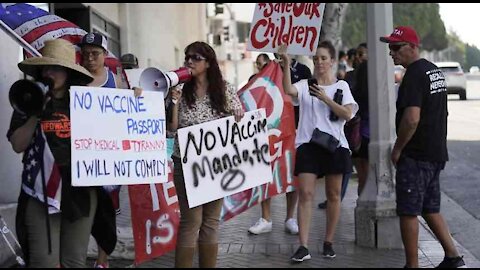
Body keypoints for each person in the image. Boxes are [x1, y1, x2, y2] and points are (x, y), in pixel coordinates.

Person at [380, 26, 466, 268]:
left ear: (413, 47)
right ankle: (453, 257)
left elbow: (412, 119)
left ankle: (412, 265)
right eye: (390, 48)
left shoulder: (414, 75)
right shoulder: (433, 71)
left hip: (416, 156)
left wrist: (397, 149)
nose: (392, 53)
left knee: (408, 211)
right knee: (430, 208)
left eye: (396, 48)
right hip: (435, 153)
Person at [7, 39, 98, 267]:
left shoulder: (84, 100)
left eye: (56, 68)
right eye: (46, 68)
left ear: (67, 72)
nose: (50, 73)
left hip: (80, 189)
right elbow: (18, 145)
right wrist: (35, 114)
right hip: (41, 189)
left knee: (74, 261)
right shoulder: (28, 100)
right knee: (43, 261)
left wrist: (137, 97)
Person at [278, 40, 358, 262]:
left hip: (335, 146)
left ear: (332, 61)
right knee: (305, 194)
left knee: (333, 195)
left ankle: (328, 241)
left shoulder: (341, 87)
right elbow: (288, 89)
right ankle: (303, 246)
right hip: (308, 145)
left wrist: (325, 98)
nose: (319, 62)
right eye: (316, 58)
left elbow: (347, 114)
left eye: (323, 58)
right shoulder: (305, 85)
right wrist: (285, 64)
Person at [167, 41, 244, 268]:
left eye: (196, 58)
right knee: (192, 221)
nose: (189, 61)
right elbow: (172, 129)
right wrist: (174, 102)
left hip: (215, 164)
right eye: (187, 57)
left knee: (210, 222)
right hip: (187, 162)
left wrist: (239, 113)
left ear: (208, 63)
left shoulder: (225, 89)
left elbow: (238, 123)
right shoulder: (181, 89)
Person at [78, 32, 129, 268]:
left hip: (109, 156)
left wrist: (136, 96)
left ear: (105, 55)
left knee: (107, 209)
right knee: (82, 207)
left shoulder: (115, 80)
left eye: (95, 54)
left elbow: (130, 111)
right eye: (85, 54)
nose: (89, 58)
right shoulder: (74, 79)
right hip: (81, 154)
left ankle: (102, 260)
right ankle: (76, 256)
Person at [247, 53, 307, 236]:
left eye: (262, 64)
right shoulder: (255, 79)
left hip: (292, 131)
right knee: (264, 175)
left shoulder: (301, 71)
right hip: (265, 135)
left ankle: (290, 218)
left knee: (291, 174)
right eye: (258, 64)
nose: (259, 67)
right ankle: (265, 218)